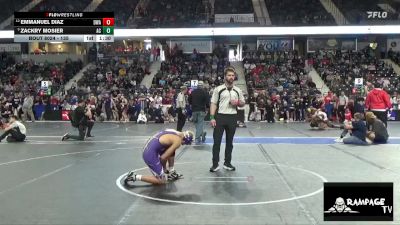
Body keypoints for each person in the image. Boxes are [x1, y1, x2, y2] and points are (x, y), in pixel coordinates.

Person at [123, 129, 194, 186]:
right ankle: (134, 176)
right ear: (185, 140)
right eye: (184, 143)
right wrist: (164, 170)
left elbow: (170, 152)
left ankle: (172, 171)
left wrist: (169, 170)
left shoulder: (174, 132)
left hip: (149, 148)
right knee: (162, 180)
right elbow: (163, 158)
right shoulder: (178, 141)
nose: (182, 144)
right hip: (149, 154)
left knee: (171, 150)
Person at [209, 67, 245, 172]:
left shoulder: (238, 90)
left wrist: (237, 103)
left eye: (233, 75)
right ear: (225, 77)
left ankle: (227, 163)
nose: (231, 77)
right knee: (217, 142)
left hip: (232, 117)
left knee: (230, 142)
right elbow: (213, 103)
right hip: (220, 117)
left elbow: (242, 103)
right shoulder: (218, 89)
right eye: (229, 75)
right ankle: (215, 164)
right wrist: (212, 117)